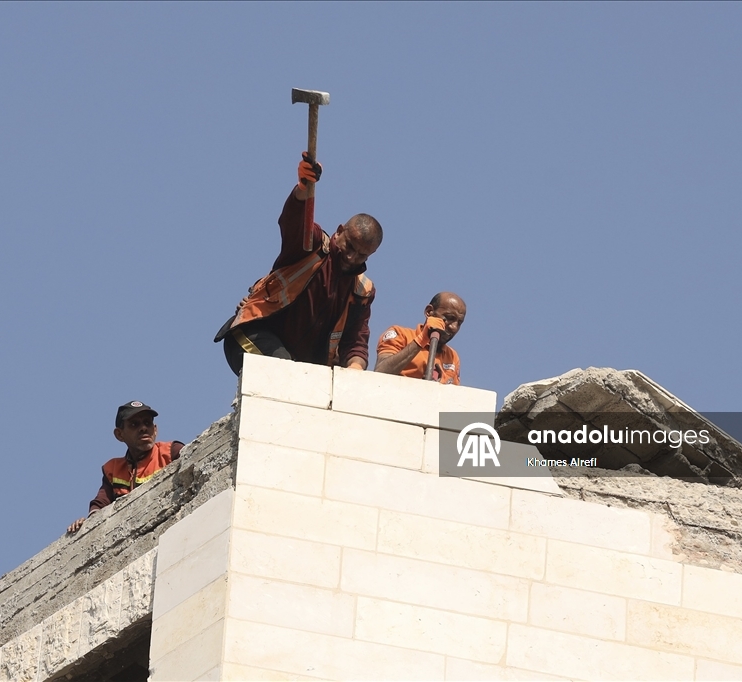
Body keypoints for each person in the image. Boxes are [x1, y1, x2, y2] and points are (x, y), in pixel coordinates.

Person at [215, 152, 382, 374]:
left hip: (300, 368)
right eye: (350, 246)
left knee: (302, 387)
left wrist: (355, 369)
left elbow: (356, 342)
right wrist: (304, 188)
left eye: (362, 255)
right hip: (253, 335)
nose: (352, 257)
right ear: (339, 231)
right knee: (289, 373)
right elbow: (295, 219)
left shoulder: (362, 292)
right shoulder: (311, 246)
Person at [66, 401, 184, 534]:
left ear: (155, 430)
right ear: (119, 434)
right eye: (134, 424)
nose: (143, 428)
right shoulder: (113, 469)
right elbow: (100, 505)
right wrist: (86, 524)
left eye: (147, 423)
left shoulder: (171, 452)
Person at [374, 292, 467, 385]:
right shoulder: (400, 334)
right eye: (450, 318)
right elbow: (380, 371)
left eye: (459, 323)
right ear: (429, 312)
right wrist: (422, 339)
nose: (454, 327)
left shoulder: (453, 356)